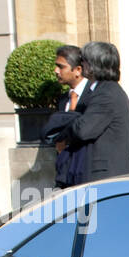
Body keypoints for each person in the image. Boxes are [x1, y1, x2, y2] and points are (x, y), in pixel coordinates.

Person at [64, 41, 129, 182]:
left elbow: (83, 130)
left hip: (104, 178)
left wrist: (67, 120)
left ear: (92, 65)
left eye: (83, 61)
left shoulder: (106, 93)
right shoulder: (103, 90)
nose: (81, 64)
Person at [42, 45, 91, 188]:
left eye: (61, 67)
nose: (56, 71)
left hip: (86, 172)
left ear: (78, 70)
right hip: (65, 171)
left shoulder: (94, 96)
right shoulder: (64, 99)